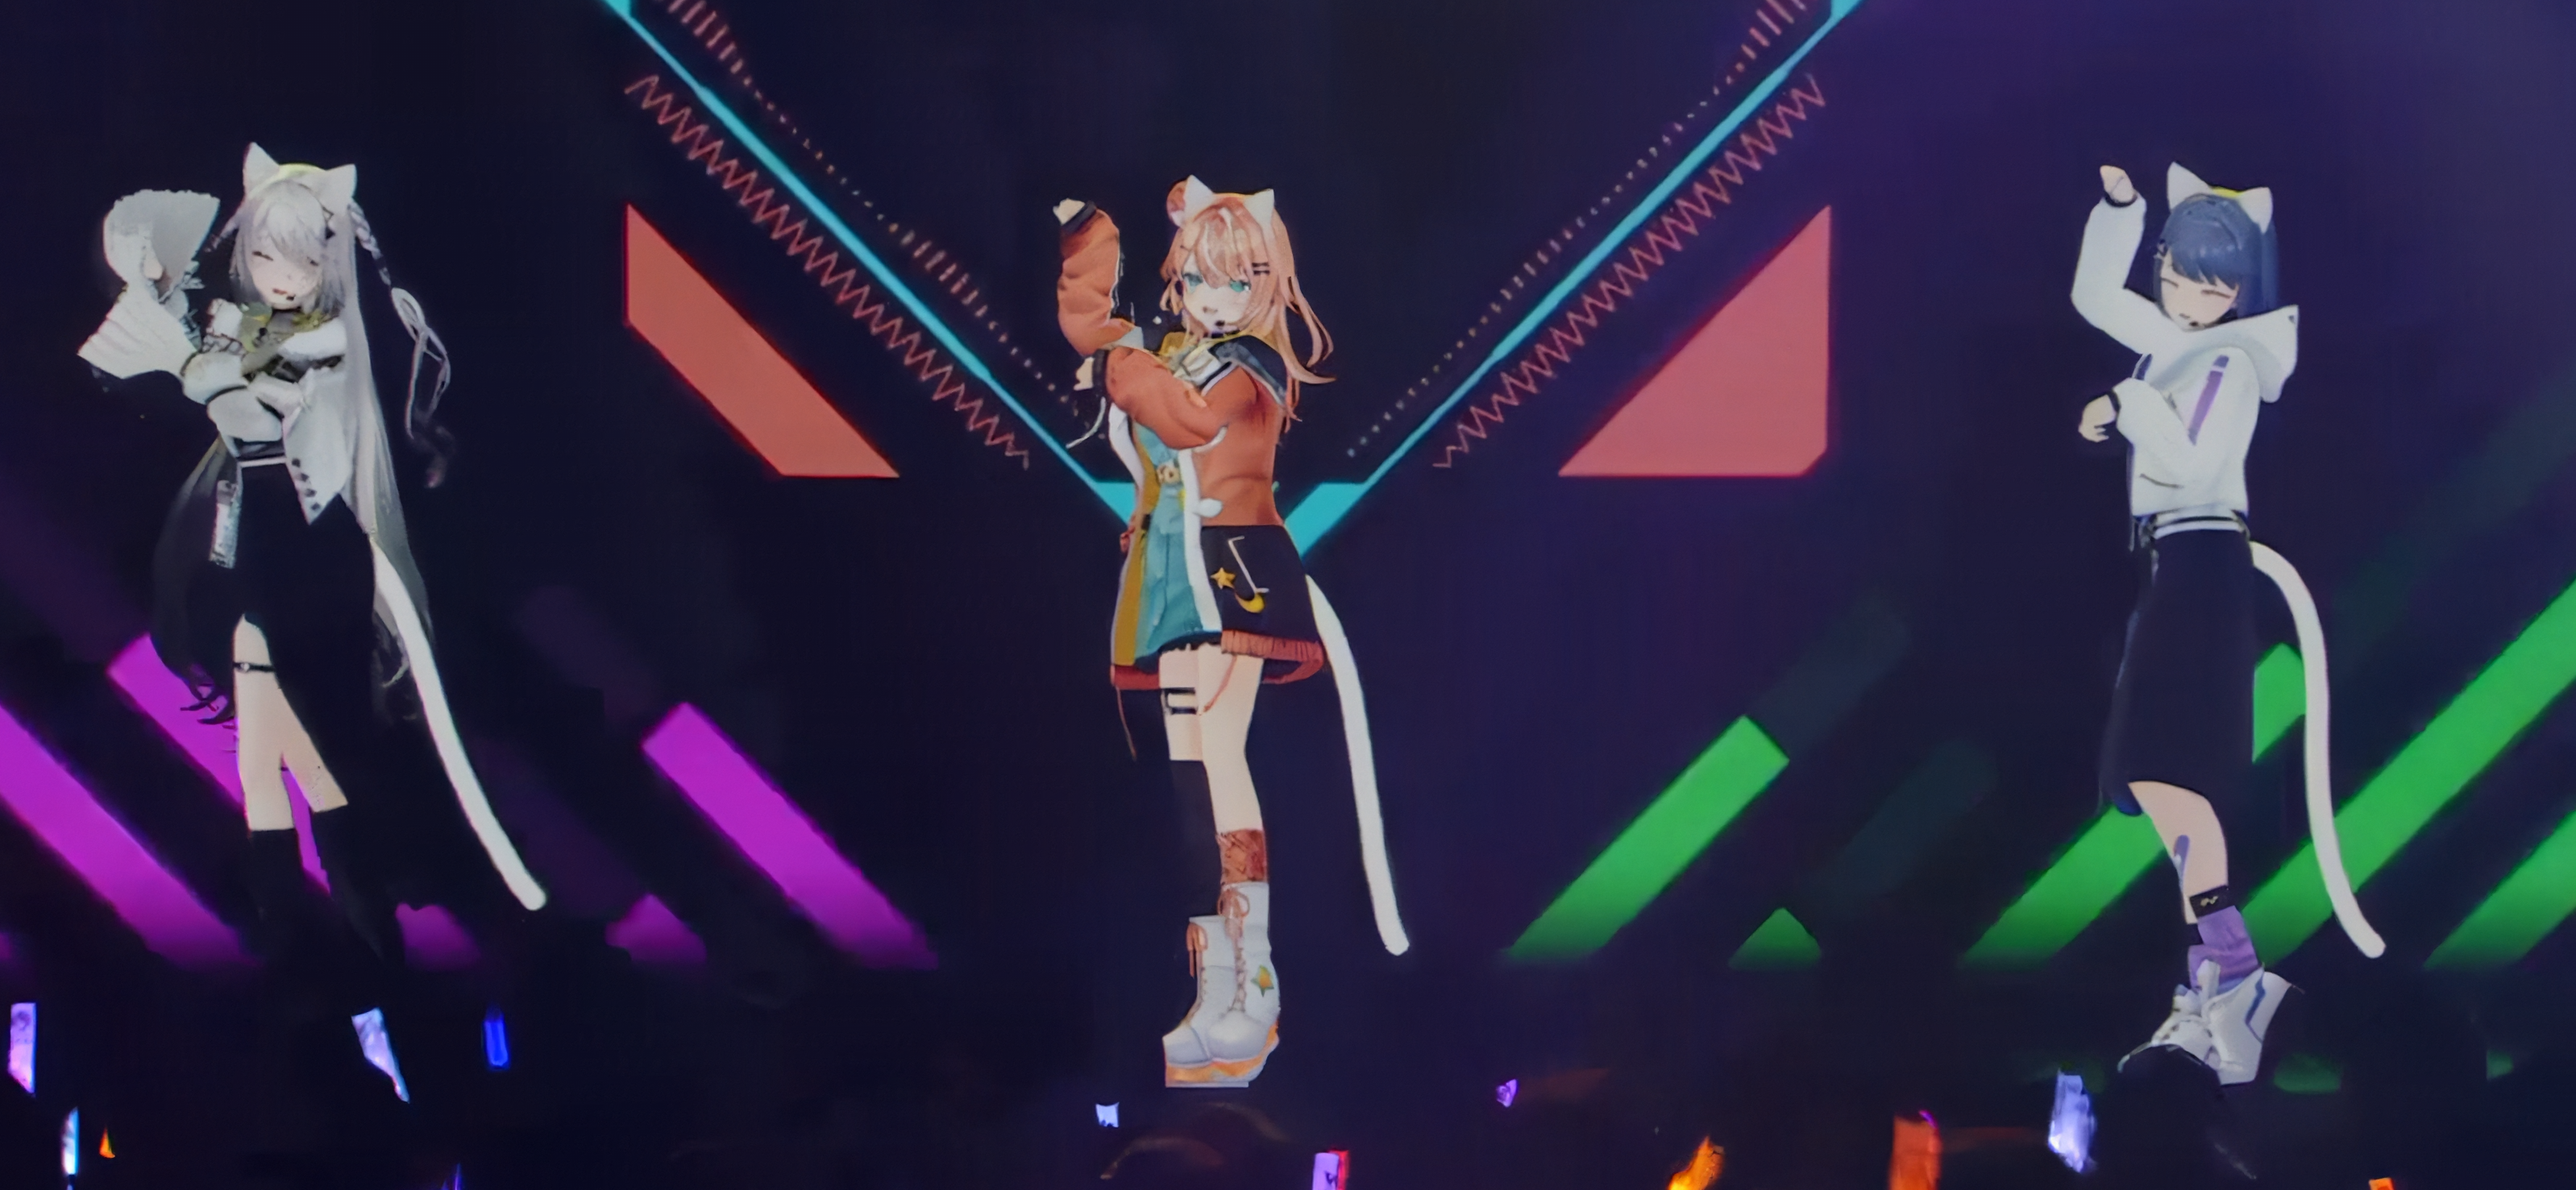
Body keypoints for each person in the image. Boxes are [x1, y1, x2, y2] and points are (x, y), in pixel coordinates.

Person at [1054, 177, 1406, 1088]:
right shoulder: (1179, 352)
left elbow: (1184, 418)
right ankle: (1212, 985)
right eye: (1201, 280)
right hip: (1172, 577)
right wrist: (1088, 245)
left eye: (1236, 280)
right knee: (1186, 776)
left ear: (1263, 285)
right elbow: (1104, 343)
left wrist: (1123, 367)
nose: (1214, 297)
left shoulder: (1250, 363)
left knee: (1219, 755)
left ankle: (1254, 981)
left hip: (1233, 575)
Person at [2071, 161, 2377, 1088]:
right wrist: (2120, 211)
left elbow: (2192, 460)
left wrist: (2126, 404)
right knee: (2152, 769)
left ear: (2238, 289)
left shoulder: (2229, 360)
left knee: (2161, 766)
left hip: (2202, 559)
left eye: (2207, 283)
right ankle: (2215, 979)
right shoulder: (2173, 342)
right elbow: (2094, 297)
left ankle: (2233, 973)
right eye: (2174, 275)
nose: (2183, 295)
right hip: (2173, 563)